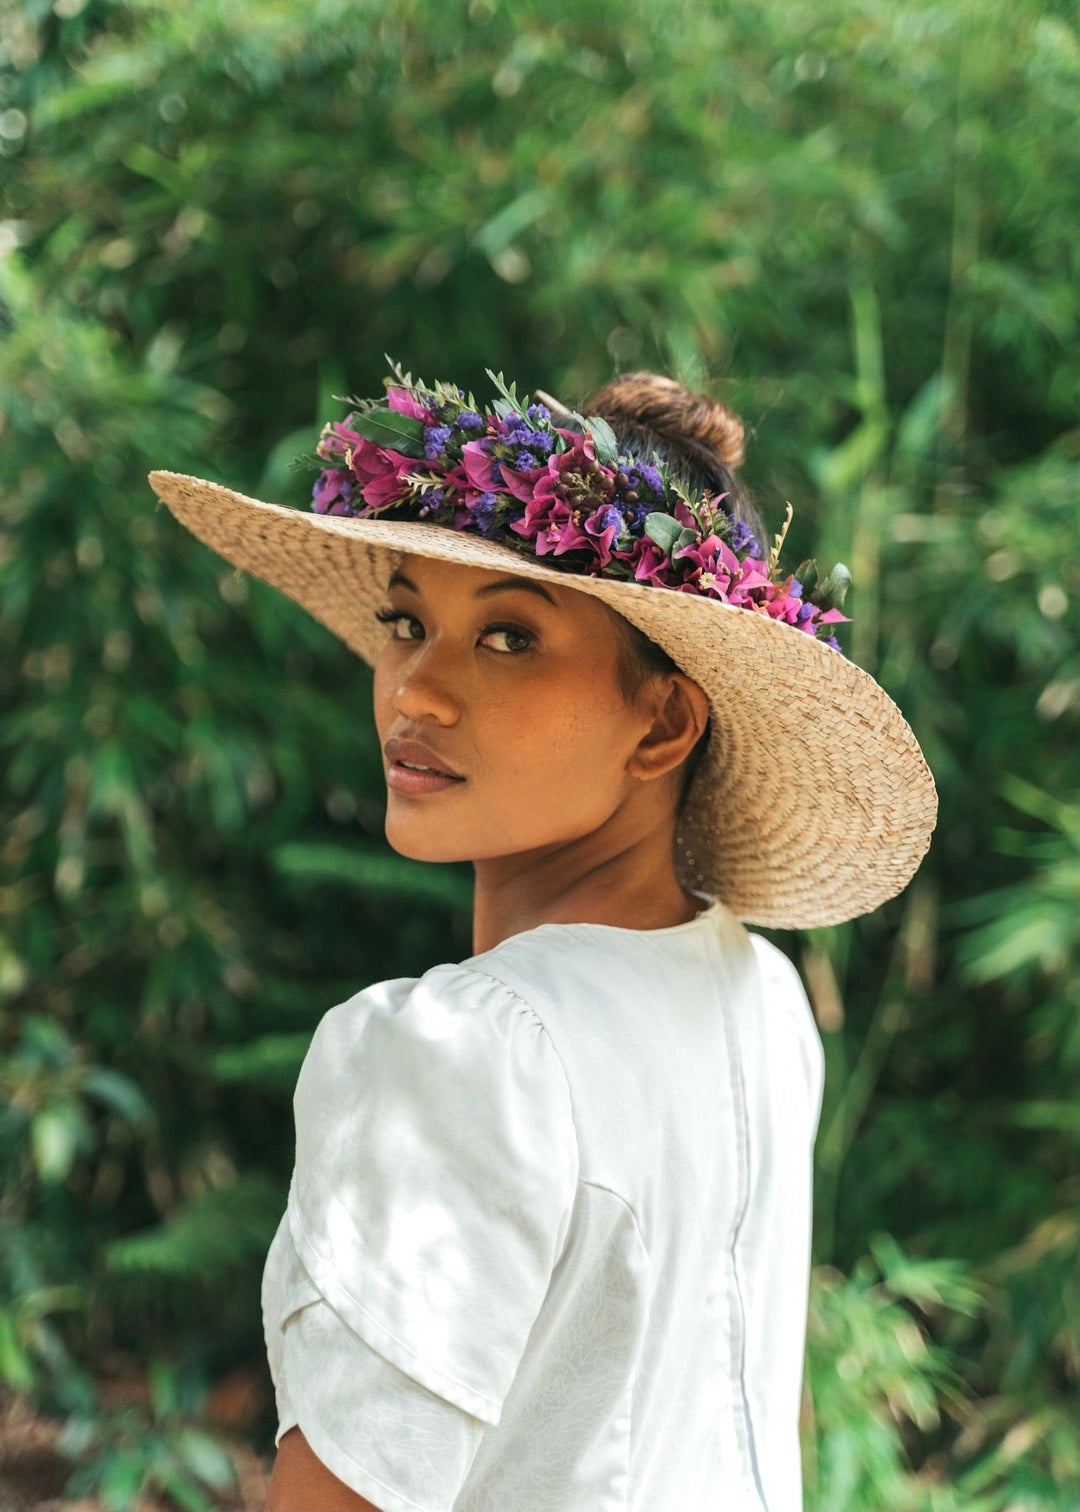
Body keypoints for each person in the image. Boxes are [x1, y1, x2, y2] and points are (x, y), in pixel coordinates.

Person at [148, 365, 937, 1512]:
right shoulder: (760, 999)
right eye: (407, 621)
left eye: (509, 639)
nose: (416, 692)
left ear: (663, 719)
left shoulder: (462, 1057)